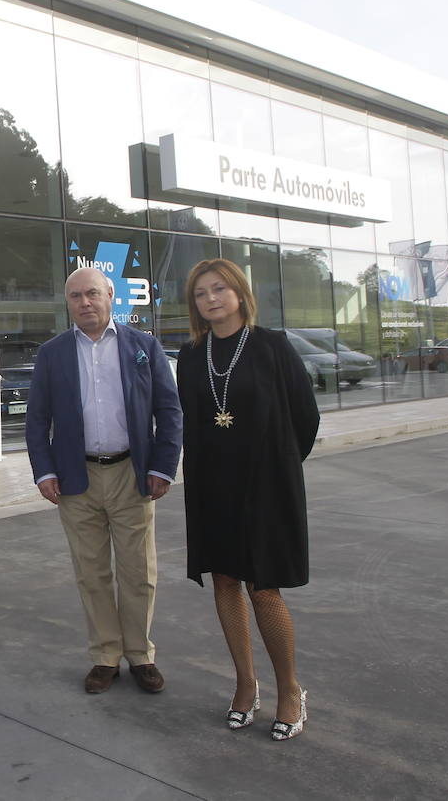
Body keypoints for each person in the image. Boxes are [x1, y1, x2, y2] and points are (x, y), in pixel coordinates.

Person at [176, 259, 319, 741]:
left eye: (219, 288)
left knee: (264, 587)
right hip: (212, 486)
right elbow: (190, 420)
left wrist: (280, 467)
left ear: (240, 292)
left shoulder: (272, 345)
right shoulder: (190, 355)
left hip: (266, 487)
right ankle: (245, 684)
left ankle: (291, 689)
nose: (211, 299)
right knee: (224, 580)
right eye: (201, 293)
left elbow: (305, 416)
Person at [25, 267, 181, 695]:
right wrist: (45, 471)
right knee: (91, 573)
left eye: (92, 293)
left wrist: (163, 466)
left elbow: (169, 410)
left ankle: (141, 654)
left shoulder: (143, 346)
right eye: (76, 296)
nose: (85, 302)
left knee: (139, 572)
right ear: (68, 303)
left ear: (110, 295)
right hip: (76, 479)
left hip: (132, 474)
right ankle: (105, 656)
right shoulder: (53, 353)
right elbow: (37, 419)